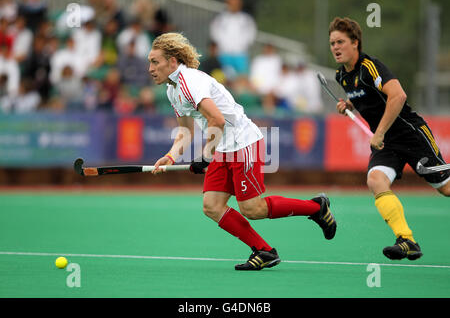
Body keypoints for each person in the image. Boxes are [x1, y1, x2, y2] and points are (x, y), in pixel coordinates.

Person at [148, 32, 337, 271]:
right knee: (212, 205)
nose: (150, 68)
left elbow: (217, 120)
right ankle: (264, 251)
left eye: (155, 62)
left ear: (173, 61)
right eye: (150, 62)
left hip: (241, 142)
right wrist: (172, 155)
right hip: (222, 146)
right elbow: (186, 132)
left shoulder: (189, 81)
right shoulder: (172, 90)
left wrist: (206, 156)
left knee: (252, 209)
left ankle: (317, 208)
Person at [329, 17, 450, 261]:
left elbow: (398, 96)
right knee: (376, 181)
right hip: (387, 144)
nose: (335, 47)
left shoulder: (370, 66)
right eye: (332, 43)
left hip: (410, 134)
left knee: (446, 188)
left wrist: (380, 132)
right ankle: (407, 240)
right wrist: (349, 104)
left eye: (340, 42)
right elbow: (367, 95)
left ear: (355, 43)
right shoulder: (342, 76)